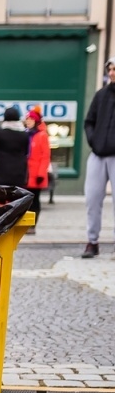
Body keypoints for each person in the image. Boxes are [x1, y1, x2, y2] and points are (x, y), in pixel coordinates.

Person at [82, 62, 115, 257]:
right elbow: (89, 122)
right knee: (92, 199)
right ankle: (92, 242)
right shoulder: (101, 95)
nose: (112, 72)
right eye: (110, 69)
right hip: (97, 154)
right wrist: (93, 140)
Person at [0, 105, 30, 196]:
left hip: (1, 172)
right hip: (19, 173)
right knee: (16, 199)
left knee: (1, 199)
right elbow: (26, 152)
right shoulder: (24, 135)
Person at [25, 109, 51, 225]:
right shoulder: (26, 134)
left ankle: (32, 224)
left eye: (30, 119)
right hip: (26, 173)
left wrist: (41, 173)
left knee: (35, 200)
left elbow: (45, 156)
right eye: (27, 119)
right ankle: (26, 223)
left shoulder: (42, 136)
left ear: (35, 121)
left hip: (36, 174)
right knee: (25, 201)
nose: (28, 121)